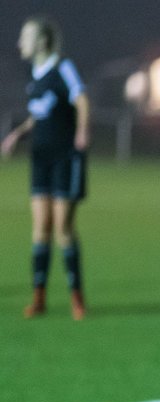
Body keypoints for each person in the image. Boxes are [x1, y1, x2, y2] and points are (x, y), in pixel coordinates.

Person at [1, 16, 90, 319]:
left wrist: (82, 132)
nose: (19, 43)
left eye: (25, 37)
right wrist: (17, 134)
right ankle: (38, 297)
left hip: (65, 158)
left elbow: (82, 100)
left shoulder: (62, 67)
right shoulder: (35, 79)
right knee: (40, 230)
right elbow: (37, 116)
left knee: (63, 229)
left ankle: (76, 297)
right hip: (40, 159)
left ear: (41, 42)